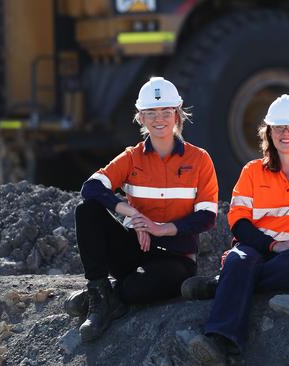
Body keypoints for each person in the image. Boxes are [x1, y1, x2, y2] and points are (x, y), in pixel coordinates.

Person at [181, 94, 289, 365]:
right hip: (255, 248)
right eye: (278, 127)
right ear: (269, 132)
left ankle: (222, 285)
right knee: (240, 259)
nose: (285, 133)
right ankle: (220, 340)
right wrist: (275, 245)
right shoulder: (252, 171)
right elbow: (239, 222)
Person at [64, 77, 219, 342]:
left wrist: (165, 228)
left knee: (137, 290)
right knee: (87, 210)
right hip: (136, 248)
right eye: (151, 113)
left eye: (165, 112)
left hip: (176, 258)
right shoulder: (131, 157)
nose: (159, 119)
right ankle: (100, 296)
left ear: (177, 113)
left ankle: (111, 293)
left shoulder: (199, 159)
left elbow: (207, 217)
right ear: (141, 117)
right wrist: (132, 213)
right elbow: (90, 187)